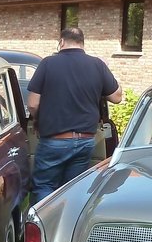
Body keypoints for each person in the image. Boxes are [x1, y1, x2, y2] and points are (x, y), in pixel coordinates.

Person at [27, 27, 123, 203]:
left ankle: (44, 220)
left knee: (44, 186)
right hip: (85, 141)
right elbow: (117, 97)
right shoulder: (97, 65)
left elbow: (33, 103)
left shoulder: (48, 63)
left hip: (54, 140)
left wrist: (39, 120)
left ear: (61, 42)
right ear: (82, 43)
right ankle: (68, 219)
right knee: (72, 188)